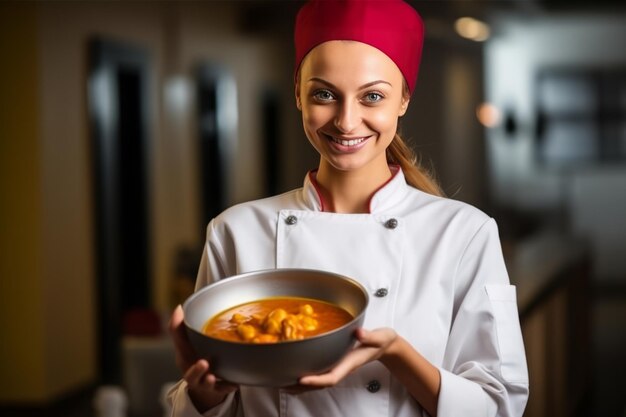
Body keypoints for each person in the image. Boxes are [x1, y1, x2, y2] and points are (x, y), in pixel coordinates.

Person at [167, 0, 529, 416]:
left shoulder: (464, 233)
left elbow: (499, 407)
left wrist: (394, 353)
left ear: (404, 101)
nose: (346, 121)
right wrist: (204, 394)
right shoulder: (235, 230)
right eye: (324, 94)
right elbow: (197, 403)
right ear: (298, 95)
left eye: (372, 96)